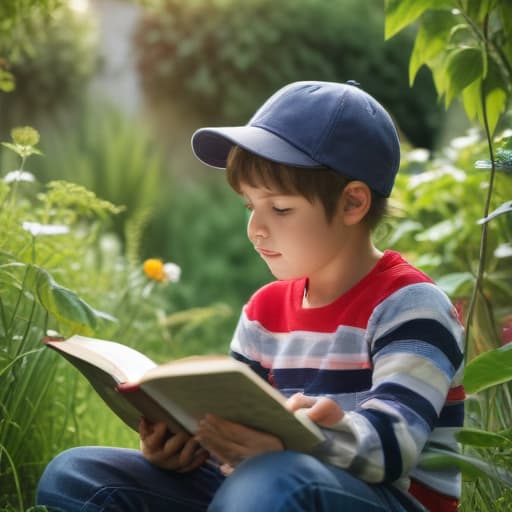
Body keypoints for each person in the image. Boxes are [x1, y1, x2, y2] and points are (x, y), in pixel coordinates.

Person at [36, 81, 465, 512]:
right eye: (249, 206)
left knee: (276, 479)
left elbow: (394, 447)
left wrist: (296, 445)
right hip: (261, 490)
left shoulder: (411, 306)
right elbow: (238, 429)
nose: (255, 228)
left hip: (374, 499)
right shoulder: (264, 311)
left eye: (279, 209)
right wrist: (186, 448)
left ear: (353, 204)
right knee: (76, 475)